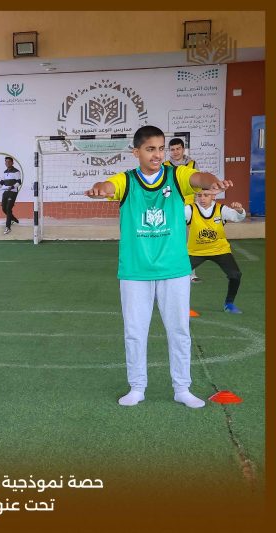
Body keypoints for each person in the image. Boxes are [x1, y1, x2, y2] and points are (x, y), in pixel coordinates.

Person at [84, 125, 233, 409]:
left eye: (161, 149)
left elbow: (200, 178)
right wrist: (100, 188)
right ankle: (137, 387)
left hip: (174, 269)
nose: (157, 154)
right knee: (135, 332)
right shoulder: (127, 180)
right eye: (150, 149)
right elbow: (109, 186)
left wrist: (214, 182)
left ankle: (182, 388)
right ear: (136, 152)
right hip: (135, 271)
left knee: (179, 330)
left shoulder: (177, 176)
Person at [185, 190, 246, 314]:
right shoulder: (189, 209)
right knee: (179, 276)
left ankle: (229, 304)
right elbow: (173, 219)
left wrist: (240, 210)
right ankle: (182, 306)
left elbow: (238, 217)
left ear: (213, 196)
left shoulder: (221, 209)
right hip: (195, 251)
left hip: (220, 250)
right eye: (199, 195)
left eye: (206, 195)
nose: (202, 198)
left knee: (235, 275)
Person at [164, 139, 201, 282]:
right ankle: (169, 271)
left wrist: (197, 207)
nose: (175, 152)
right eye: (172, 149)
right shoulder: (165, 166)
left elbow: (198, 186)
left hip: (189, 209)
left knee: (189, 243)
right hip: (171, 209)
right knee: (169, 241)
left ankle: (191, 274)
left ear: (183, 149)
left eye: (178, 149)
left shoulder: (193, 164)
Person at [0, 156, 22, 234]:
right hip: (5, 192)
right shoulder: (5, 172)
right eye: (6, 162)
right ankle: (14, 219)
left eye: (9, 162)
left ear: (12, 163)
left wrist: (12, 187)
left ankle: (8, 227)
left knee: (8, 208)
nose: (7, 163)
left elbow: (19, 182)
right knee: (4, 209)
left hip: (13, 192)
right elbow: (1, 183)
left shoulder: (16, 171)